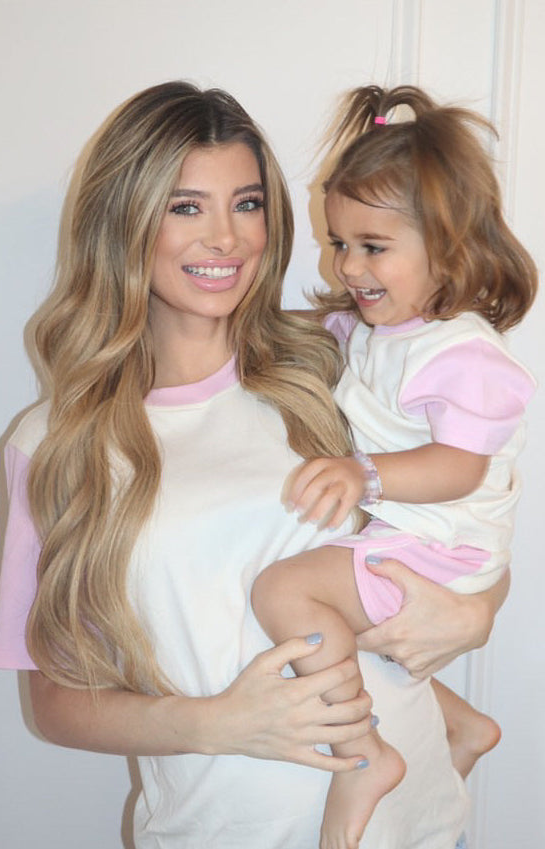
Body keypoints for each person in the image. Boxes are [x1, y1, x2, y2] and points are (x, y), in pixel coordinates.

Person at [0, 81, 508, 849]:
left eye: (249, 203)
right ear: (123, 219)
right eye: (186, 206)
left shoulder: (338, 360)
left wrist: (477, 611)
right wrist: (216, 721)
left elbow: (474, 505)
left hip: (419, 826)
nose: (227, 238)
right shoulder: (55, 442)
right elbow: (56, 701)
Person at [252, 84, 537, 849]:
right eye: (338, 241)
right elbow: (331, 330)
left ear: (447, 246)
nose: (346, 264)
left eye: (372, 246)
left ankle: (361, 753)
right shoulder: (386, 331)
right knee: (345, 623)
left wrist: (363, 473)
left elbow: (459, 467)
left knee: (287, 589)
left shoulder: (464, 354)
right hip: (429, 539)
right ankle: (462, 723)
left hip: (446, 547)